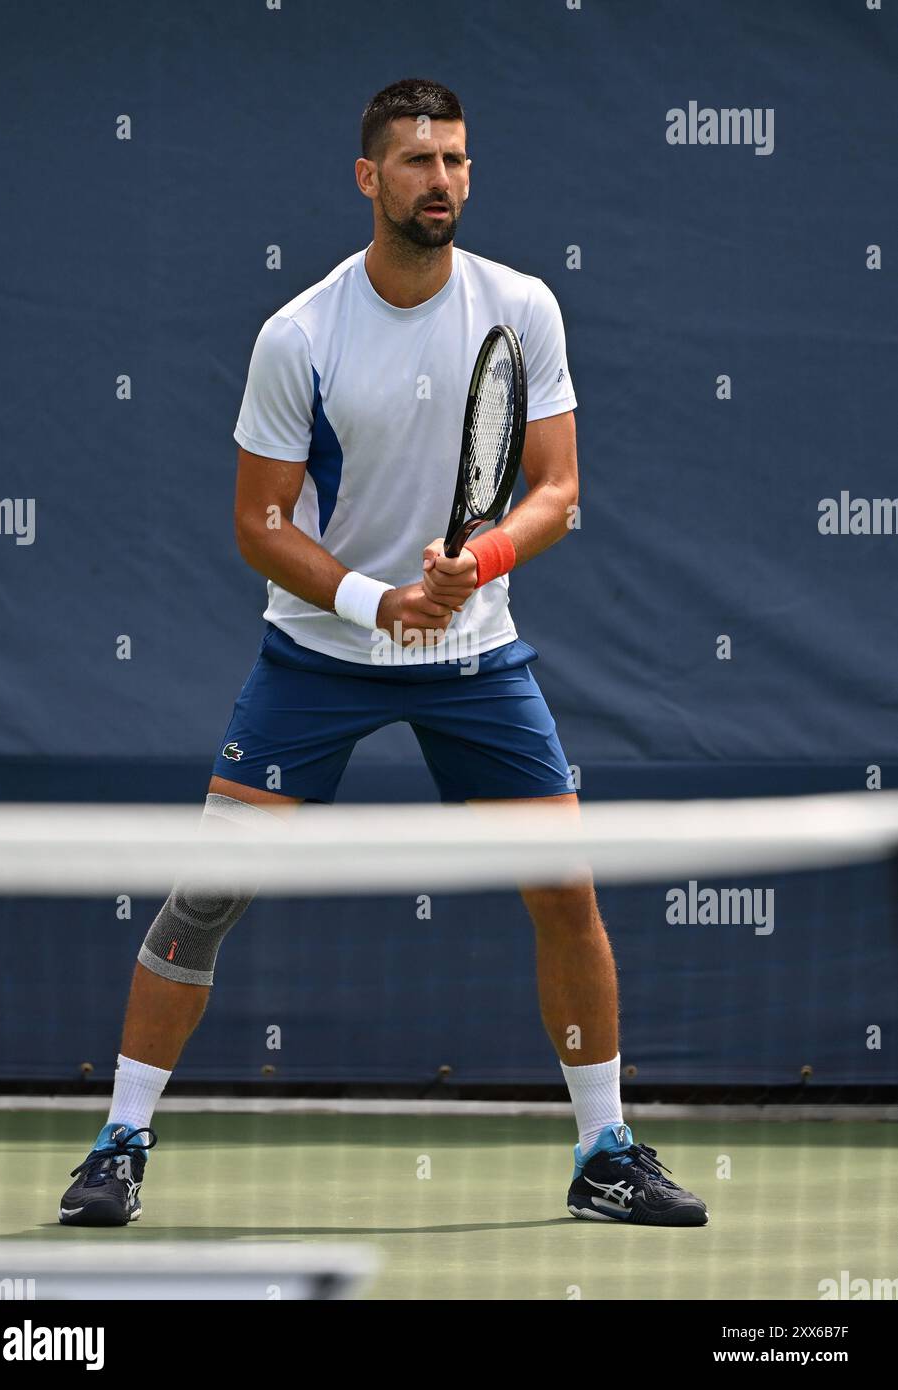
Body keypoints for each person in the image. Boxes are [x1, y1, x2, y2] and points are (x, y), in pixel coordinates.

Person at [59, 78, 706, 1229]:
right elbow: (257, 524)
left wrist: (482, 564)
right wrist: (375, 601)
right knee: (206, 894)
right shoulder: (298, 336)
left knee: (567, 888)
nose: (441, 181)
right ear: (369, 179)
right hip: (317, 655)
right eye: (416, 162)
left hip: (476, 656)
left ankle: (605, 1149)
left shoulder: (522, 308)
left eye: (455, 160)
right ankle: (119, 1140)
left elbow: (556, 489)